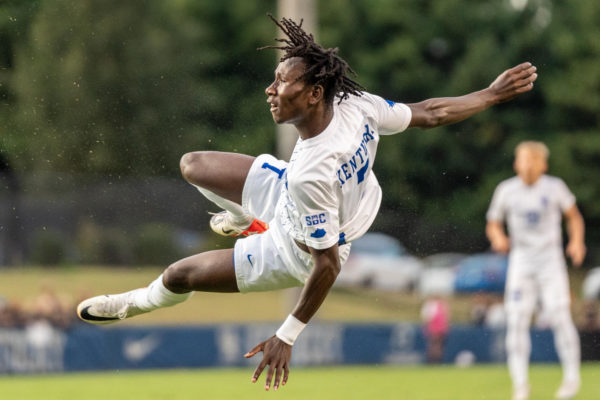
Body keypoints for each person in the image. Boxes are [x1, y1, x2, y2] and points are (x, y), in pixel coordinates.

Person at [77, 15, 538, 390]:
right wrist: (492, 93)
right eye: (274, 80)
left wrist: (287, 334)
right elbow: (430, 113)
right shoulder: (355, 104)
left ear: (315, 93)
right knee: (193, 164)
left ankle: (130, 304)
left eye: (282, 82)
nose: (270, 90)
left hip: (295, 251)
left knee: (180, 275)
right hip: (289, 195)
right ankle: (246, 219)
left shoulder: (312, 171)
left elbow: (328, 264)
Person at [486, 141, 585, 400]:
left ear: (543, 164)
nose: (527, 165)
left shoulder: (555, 187)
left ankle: (571, 379)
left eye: (533, 160)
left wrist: (576, 241)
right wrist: (498, 238)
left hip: (550, 261)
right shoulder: (506, 190)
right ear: (516, 163)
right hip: (521, 262)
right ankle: (520, 385)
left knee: (560, 316)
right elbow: (493, 223)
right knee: (517, 320)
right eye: (523, 160)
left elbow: (573, 217)